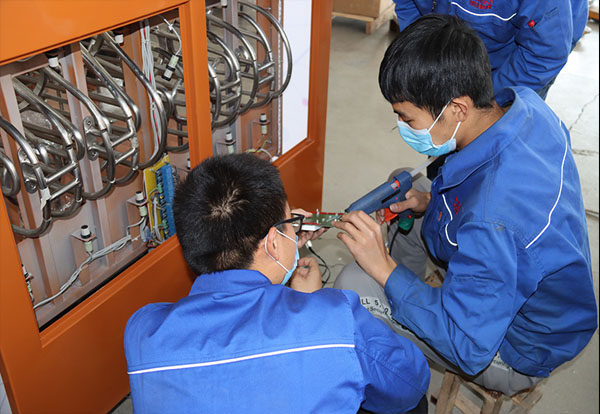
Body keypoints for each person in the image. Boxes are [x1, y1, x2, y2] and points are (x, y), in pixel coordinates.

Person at [333, 14, 597, 396]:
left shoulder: (494, 220)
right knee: (406, 185)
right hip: (519, 275)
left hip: (515, 346)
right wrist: (429, 202)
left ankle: (400, 326)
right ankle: (408, 302)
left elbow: (467, 347)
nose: (403, 127)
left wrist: (384, 270)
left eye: (407, 118)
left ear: (457, 108)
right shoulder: (528, 108)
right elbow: (489, 204)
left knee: (352, 285)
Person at [124, 153, 430, 413]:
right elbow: (411, 383)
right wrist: (311, 304)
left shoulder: (143, 333)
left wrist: (281, 246)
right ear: (272, 242)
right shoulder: (337, 321)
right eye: (289, 222)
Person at [391, 0, 589, 178]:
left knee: (490, 141)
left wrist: (484, 101)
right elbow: (407, 4)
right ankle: (442, 191)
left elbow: (543, 54)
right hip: (456, 46)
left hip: (526, 56)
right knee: (445, 130)